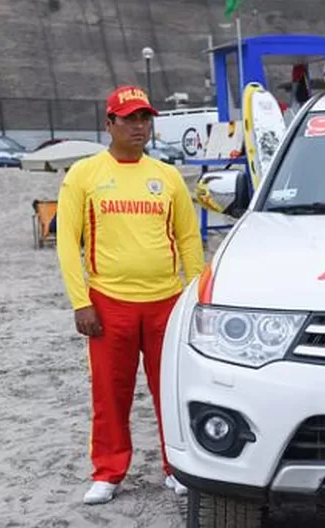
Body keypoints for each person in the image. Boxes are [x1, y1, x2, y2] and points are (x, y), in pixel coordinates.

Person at [56, 85, 206, 505]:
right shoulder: (84, 174)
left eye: (145, 118)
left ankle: (177, 468)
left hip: (168, 303)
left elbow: (189, 239)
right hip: (109, 302)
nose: (139, 126)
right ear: (110, 124)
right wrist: (80, 301)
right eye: (129, 119)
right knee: (110, 392)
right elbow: (67, 242)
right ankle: (108, 472)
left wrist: (196, 297)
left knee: (172, 390)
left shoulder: (168, 176)